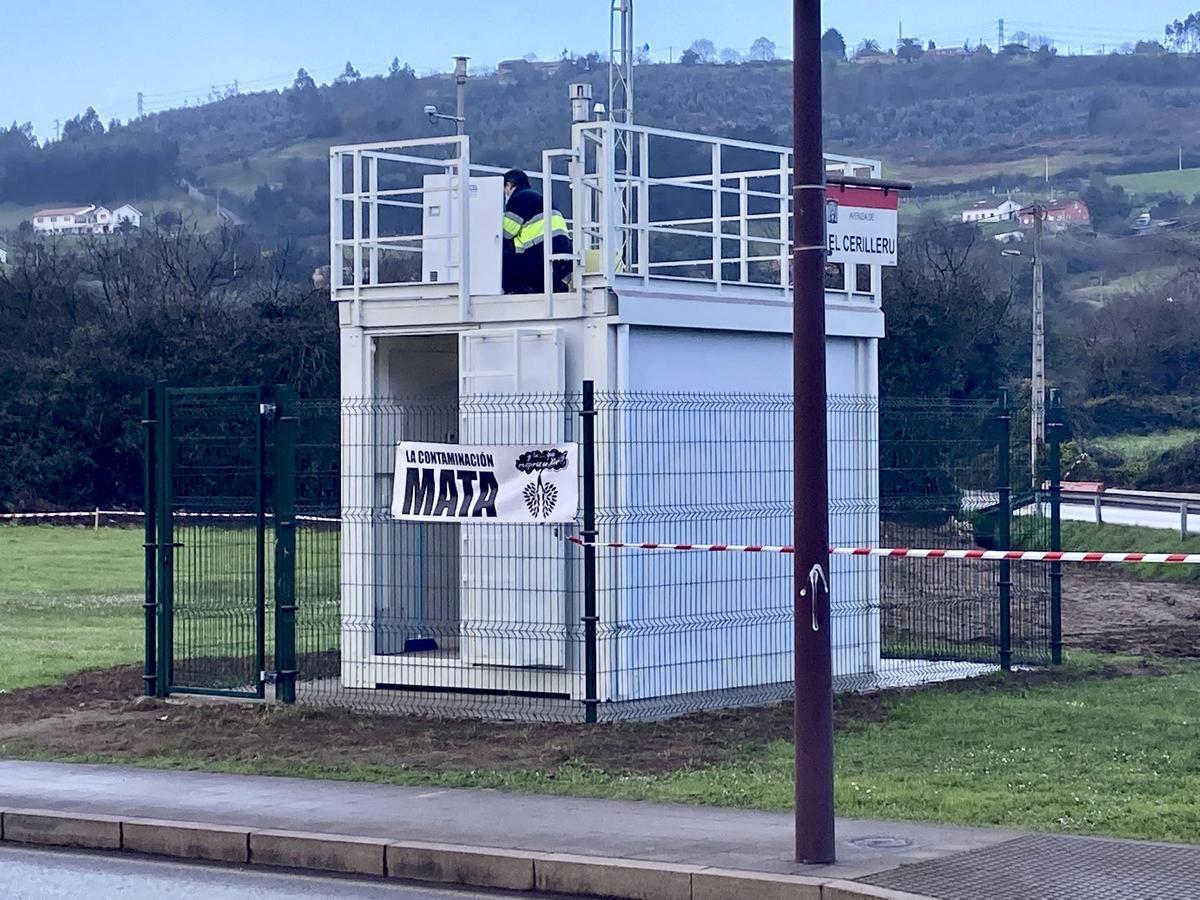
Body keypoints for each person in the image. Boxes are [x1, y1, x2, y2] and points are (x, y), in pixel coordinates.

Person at [502, 169, 573, 294]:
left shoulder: (518, 198)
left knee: (504, 251)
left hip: (540, 251)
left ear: (508, 185)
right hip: (562, 250)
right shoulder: (538, 197)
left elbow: (505, 233)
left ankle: (515, 289)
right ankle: (554, 286)